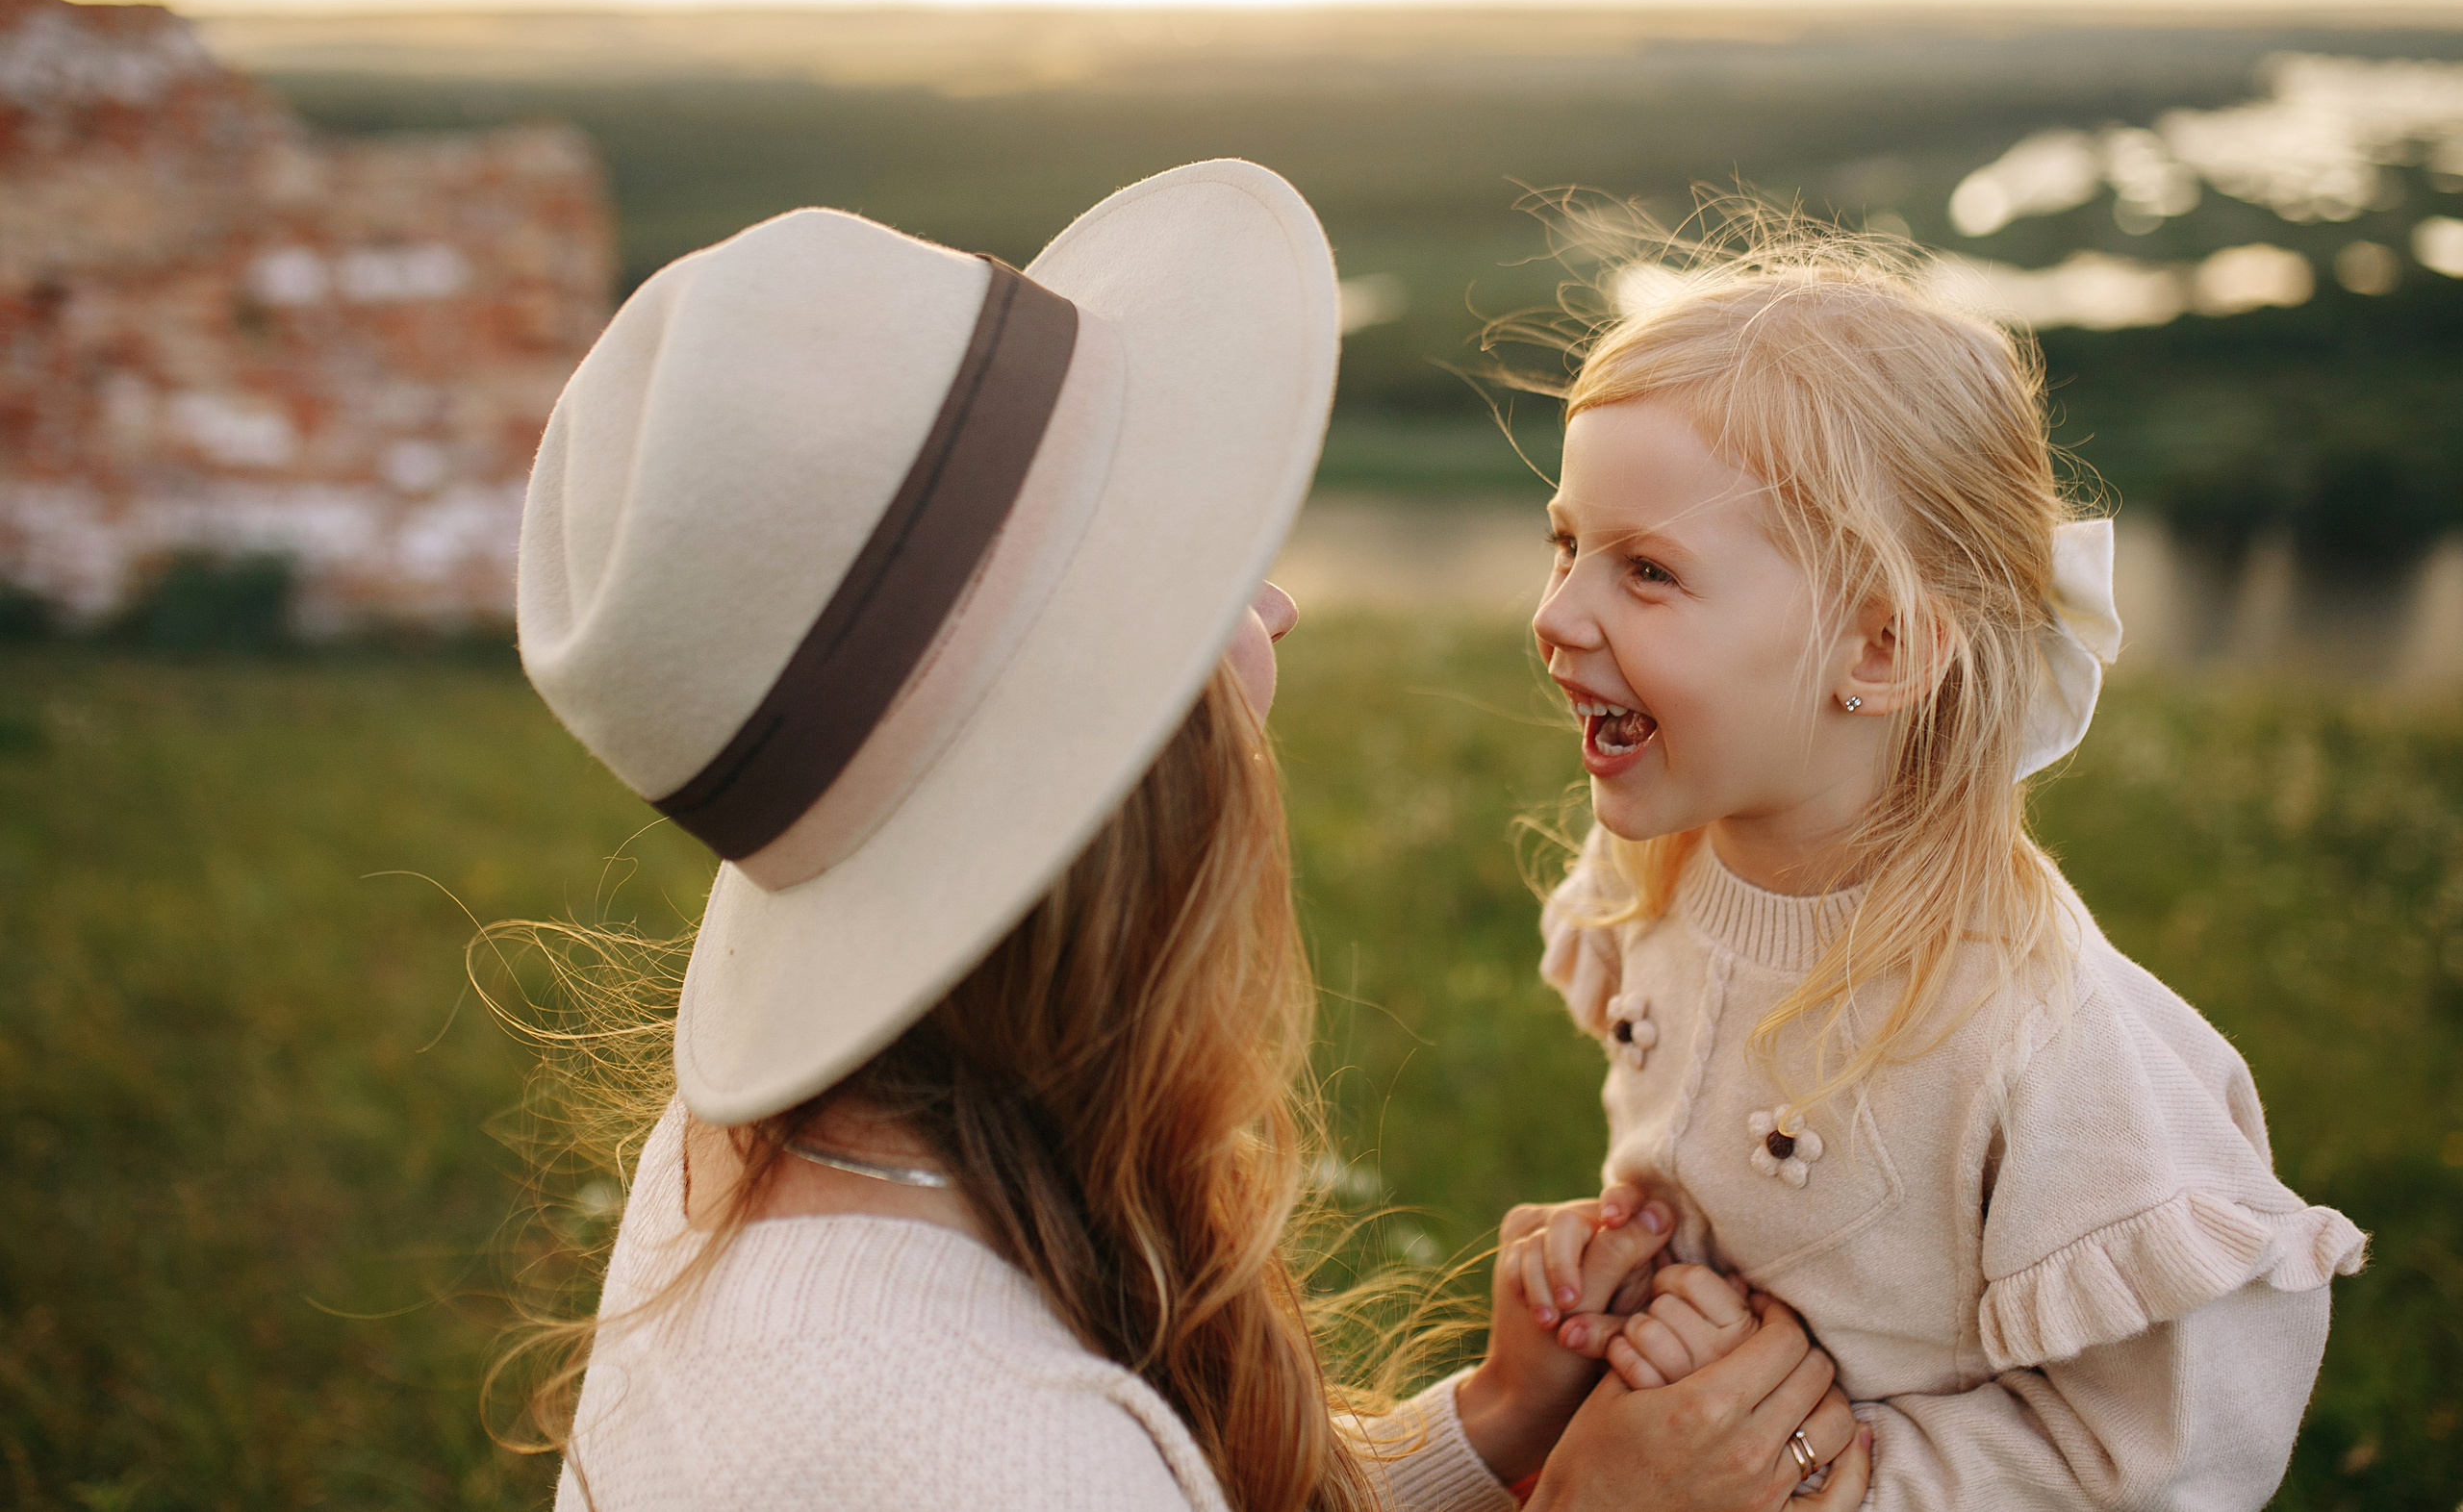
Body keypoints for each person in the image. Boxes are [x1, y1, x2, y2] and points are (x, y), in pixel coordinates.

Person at [511, 161, 1871, 1511]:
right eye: (1190, 581)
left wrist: (1494, 1421)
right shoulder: (995, 1452)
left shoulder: (745, 1165)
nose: (1272, 611)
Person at [1517, 214, 2370, 1508]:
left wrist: (1841, 1478)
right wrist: (1624, 1273)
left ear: (1882, 652)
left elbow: (2176, 1459)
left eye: (1646, 570)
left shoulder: (2040, 1043)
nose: (1555, 613)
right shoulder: (1668, 874)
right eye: (1564, 542)